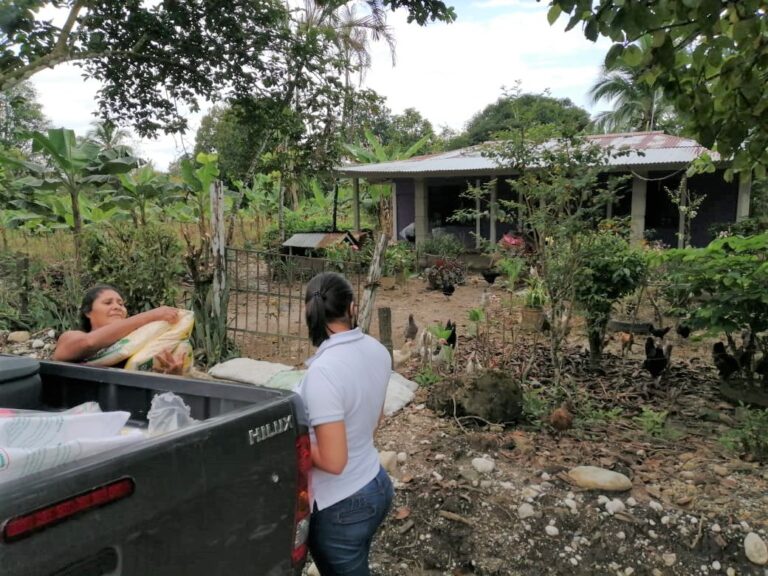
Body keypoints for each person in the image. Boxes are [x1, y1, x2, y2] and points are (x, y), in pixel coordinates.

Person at [294, 271, 393, 575]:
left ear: (309, 314)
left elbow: (335, 461)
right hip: (376, 484)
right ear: (352, 307)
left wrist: (289, 439)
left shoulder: (324, 373)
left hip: (342, 505)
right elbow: (375, 420)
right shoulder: (378, 350)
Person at [53, 284, 185, 374]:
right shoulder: (71, 337)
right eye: (108, 303)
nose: (117, 307)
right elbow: (88, 343)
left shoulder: (137, 347)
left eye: (121, 304)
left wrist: (174, 374)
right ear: (88, 312)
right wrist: (151, 315)